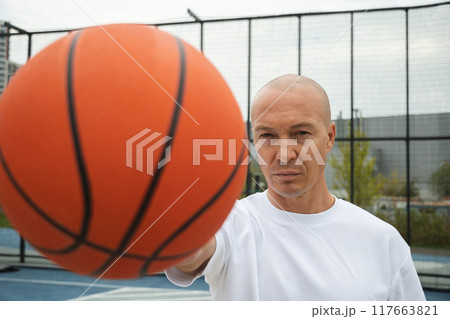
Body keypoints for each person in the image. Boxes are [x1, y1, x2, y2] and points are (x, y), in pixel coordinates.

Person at [165, 74, 426, 301]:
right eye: (267, 135)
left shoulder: (383, 241)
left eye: (301, 133)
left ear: (329, 137)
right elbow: (190, 253)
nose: (285, 154)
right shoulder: (229, 223)